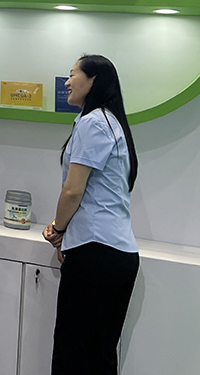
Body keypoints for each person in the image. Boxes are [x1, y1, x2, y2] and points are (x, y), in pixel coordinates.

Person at [43, 55, 139, 375]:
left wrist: (58, 229)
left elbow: (73, 190)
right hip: (119, 252)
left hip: (94, 251)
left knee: (72, 350)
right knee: (100, 353)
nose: (67, 82)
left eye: (73, 75)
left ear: (93, 80)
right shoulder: (112, 123)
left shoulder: (94, 122)